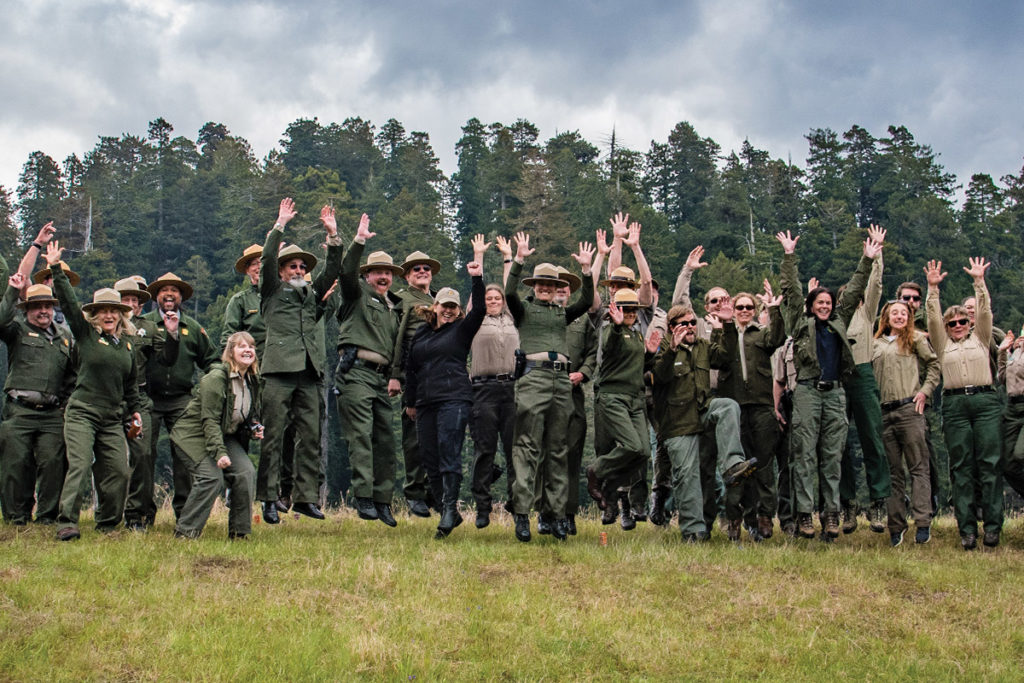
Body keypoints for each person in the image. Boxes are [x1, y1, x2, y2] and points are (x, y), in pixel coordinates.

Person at [776, 229, 882, 540]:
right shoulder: (800, 321)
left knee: (833, 456)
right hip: (808, 392)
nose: (825, 306)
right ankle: (806, 515)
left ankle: (832, 514)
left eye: (828, 302)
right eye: (819, 302)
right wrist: (789, 256)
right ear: (811, 305)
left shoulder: (839, 320)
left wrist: (867, 259)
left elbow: (855, 290)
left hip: (835, 394)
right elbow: (791, 289)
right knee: (805, 455)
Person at [45, 241, 144, 541]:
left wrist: (135, 412)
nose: (109, 316)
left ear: (121, 314)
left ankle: (107, 522)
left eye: (113, 311)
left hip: (112, 418)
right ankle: (67, 522)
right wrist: (55, 268)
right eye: (103, 311)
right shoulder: (85, 334)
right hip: (82, 413)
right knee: (79, 464)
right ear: (95, 315)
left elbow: (131, 385)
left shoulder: (127, 344)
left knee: (119, 471)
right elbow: (69, 302)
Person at [255, 198, 343, 523]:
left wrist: (333, 236)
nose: (298, 270)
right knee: (273, 436)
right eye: (291, 266)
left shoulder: (311, 294)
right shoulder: (272, 291)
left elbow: (332, 270)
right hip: (278, 371)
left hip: (309, 372)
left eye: (302, 267)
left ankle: (306, 498)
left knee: (310, 436)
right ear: (280, 271)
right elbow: (265, 257)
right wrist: (280, 224)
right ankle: (268, 497)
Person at [505, 233, 594, 542]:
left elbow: (585, 301)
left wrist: (586, 270)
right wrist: (518, 261)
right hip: (533, 378)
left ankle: (555, 516)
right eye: (540, 283)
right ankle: (521, 514)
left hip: (561, 381)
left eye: (551, 284)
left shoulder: (561, 313)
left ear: (558, 289)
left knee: (558, 449)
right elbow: (508, 295)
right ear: (534, 286)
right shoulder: (524, 310)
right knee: (527, 446)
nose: (545, 288)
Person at [649, 305, 756, 542]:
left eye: (692, 323)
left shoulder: (703, 346)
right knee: (688, 477)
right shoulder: (663, 346)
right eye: (683, 323)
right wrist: (672, 349)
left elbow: (727, 358)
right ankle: (694, 531)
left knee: (728, 406)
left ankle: (732, 464)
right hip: (677, 422)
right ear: (671, 327)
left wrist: (727, 325)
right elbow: (660, 377)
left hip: (703, 410)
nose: (689, 327)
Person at [925, 257, 1002, 549]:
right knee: (961, 468)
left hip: (985, 401)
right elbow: (932, 318)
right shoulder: (942, 343)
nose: (957, 325)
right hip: (955, 405)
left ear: (969, 323)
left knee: (989, 464)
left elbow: (985, 311)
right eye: (952, 323)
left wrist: (979, 282)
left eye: (961, 322)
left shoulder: (981, 337)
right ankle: (967, 529)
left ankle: (993, 526)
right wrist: (933, 289)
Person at [404, 261, 486, 538]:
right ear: (435, 307)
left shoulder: (462, 330)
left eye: (454, 307)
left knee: (448, 450)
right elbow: (411, 368)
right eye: (444, 306)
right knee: (428, 456)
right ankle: (444, 507)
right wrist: (410, 401)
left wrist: (477, 278)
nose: (448, 311)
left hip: (454, 398)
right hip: (425, 401)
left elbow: (481, 311)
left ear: (459, 310)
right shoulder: (422, 333)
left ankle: (450, 509)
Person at [335, 216, 404, 526]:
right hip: (356, 372)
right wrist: (359, 240)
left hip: (380, 378)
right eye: (377, 272)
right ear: (367, 275)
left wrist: (396, 376)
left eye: (387, 273)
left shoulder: (395, 307)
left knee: (386, 441)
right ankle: (363, 497)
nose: (383, 277)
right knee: (360, 437)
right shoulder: (356, 295)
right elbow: (346, 271)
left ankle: (382, 500)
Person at [171, 332, 262, 540]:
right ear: (231, 352)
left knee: (245, 472)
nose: (248, 350)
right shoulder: (216, 378)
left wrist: (254, 428)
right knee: (211, 477)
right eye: (241, 346)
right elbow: (209, 420)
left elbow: (242, 415)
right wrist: (219, 453)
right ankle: (186, 533)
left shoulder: (252, 380)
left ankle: (240, 534)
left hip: (222, 433)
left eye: (251, 347)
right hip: (193, 434)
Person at [712, 284, 786, 541]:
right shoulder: (723, 333)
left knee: (764, 465)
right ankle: (735, 519)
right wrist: (726, 324)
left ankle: (764, 516)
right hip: (733, 409)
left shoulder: (761, 334)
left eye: (749, 307)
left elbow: (777, 338)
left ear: (755, 311)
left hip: (762, 406)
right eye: (740, 307)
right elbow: (719, 358)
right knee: (737, 468)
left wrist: (774, 310)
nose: (744, 311)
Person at [145, 271, 219, 521]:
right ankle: (141, 515)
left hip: (182, 400)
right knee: (144, 455)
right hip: (148, 400)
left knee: (185, 457)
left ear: (181, 297)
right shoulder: (144, 325)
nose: (169, 294)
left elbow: (213, 363)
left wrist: (205, 392)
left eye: (174, 290)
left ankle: (185, 514)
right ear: (156, 296)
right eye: (164, 290)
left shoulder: (195, 328)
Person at [0, 274, 74, 525]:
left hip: (52, 413)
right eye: (37, 306)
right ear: (27, 309)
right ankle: (15, 517)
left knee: (54, 463)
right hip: (19, 411)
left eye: (48, 306)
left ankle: (47, 517)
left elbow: (72, 375)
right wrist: (12, 291)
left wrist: (67, 405)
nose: (43, 311)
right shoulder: (16, 330)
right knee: (15, 465)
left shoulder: (66, 337)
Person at [587, 288, 661, 531]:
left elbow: (635, 367)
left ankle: (609, 487)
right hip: (613, 397)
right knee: (631, 446)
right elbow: (609, 349)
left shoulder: (637, 336)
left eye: (633, 310)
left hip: (635, 399)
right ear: (615, 311)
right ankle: (596, 471)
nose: (630, 313)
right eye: (624, 309)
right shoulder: (611, 331)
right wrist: (617, 326)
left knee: (642, 453)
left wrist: (649, 354)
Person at [871, 300, 940, 546]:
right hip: (883, 412)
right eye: (894, 313)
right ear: (886, 317)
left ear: (909, 317)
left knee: (918, 467)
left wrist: (925, 392)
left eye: (903, 313)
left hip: (909, 409)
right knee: (892, 472)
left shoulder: (916, 339)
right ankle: (896, 526)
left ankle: (923, 522)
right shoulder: (875, 344)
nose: (899, 316)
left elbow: (934, 365)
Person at [838, 225, 891, 534]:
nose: (852, 298)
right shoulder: (834, 318)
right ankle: (847, 505)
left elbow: (875, 285)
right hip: (838, 379)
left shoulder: (867, 313)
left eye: (854, 296)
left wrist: (876, 255)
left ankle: (878, 502)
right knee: (841, 444)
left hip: (864, 374)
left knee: (872, 438)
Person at [467, 235, 519, 529]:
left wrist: (509, 258)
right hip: (483, 390)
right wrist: (479, 256)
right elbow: (476, 293)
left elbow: (510, 290)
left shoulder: (512, 317)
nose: (494, 301)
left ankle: (516, 503)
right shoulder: (475, 319)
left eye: (497, 298)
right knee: (484, 450)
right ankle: (483, 507)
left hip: (512, 389)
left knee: (514, 451)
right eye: (489, 298)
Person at [117, 276, 174, 531]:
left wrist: (172, 334)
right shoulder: (100, 326)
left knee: (142, 456)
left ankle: (135, 515)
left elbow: (166, 358)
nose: (131, 305)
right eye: (126, 300)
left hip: (138, 398)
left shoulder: (148, 328)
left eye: (136, 301)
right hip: (105, 397)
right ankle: (106, 512)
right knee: (109, 461)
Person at [390, 249, 443, 518]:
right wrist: (396, 374)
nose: (422, 272)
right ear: (408, 275)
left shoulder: (440, 300)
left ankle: (435, 492)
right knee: (414, 437)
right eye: (416, 269)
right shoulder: (401, 299)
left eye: (426, 268)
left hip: (439, 375)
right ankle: (414, 493)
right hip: (414, 374)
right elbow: (398, 339)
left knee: (438, 435)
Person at [222, 244, 265, 353]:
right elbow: (229, 337)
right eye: (254, 264)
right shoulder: (239, 300)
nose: (259, 267)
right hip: (254, 364)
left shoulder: (282, 295)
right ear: (247, 270)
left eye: (262, 262)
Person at [998, 330, 1024, 501]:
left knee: (1020, 455)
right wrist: (1002, 352)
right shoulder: (1015, 352)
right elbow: (1002, 378)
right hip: (1012, 407)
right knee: (1007, 464)